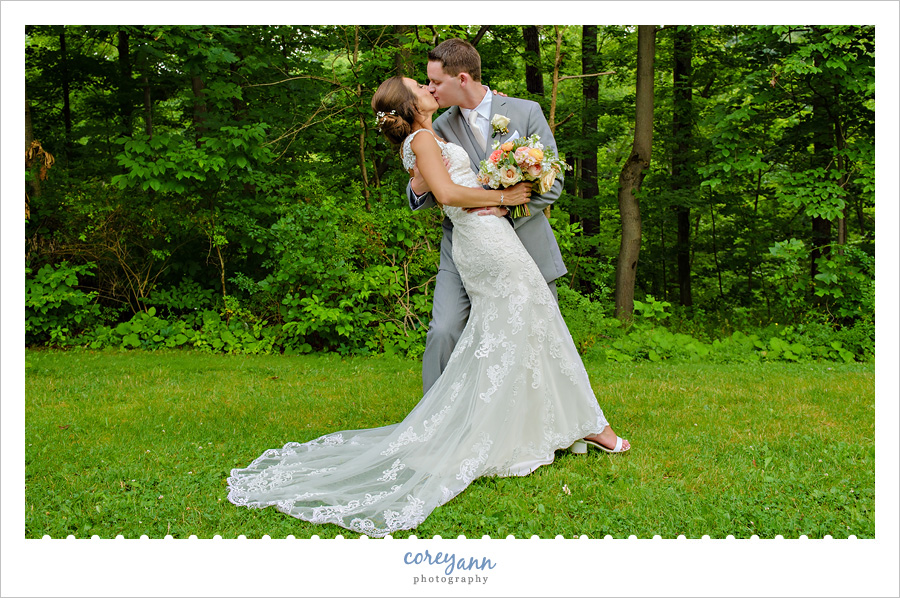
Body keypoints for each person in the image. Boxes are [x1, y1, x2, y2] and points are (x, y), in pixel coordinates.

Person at [226, 73, 630, 539]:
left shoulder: (428, 136)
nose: (427, 87)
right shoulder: (423, 138)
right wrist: (504, 195)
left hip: (490, 239)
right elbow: (447, 195)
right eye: (419, 85)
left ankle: (550, 422)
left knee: (525, 324)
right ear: (411, 104)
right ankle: (587, 426)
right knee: (527, 321)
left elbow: (438, 179)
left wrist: (502, 190)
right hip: (482, 242)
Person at [408, 38, 567, 395]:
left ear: (462, 79)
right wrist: (418, 187)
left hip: (525, 244)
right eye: (427, 83)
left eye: (436, 82)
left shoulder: (526, 112)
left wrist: (508, 206)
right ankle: (434, 421)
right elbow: (433, 188)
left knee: (542, 334)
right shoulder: (437, 126)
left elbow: (553, 183)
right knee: (444, 329)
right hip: (463, 247)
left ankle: (548, 425)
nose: (430, 89)